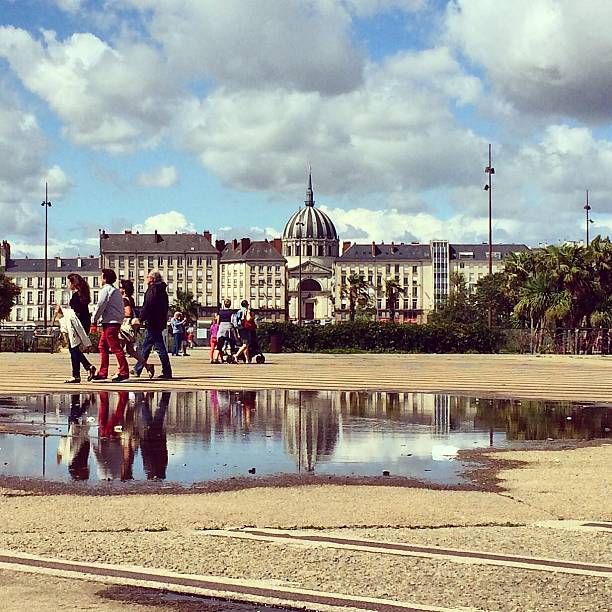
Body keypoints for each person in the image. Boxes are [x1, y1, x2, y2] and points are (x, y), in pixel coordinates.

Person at [91, 268, 130, 382]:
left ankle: (123, 372)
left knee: (115, 347)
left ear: (105, 278)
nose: (100, 279)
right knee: (102, 346)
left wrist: (94, 319)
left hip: (110, 322)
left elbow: (100, 305)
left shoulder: (106, 290)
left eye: (101, 276)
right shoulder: (116, 291)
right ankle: (103, 372)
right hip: (114, 321)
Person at [134, 270, 172, 380]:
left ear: (152, 279)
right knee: (149, 346)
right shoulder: (162, 291)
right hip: (159, 321)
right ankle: (138, 368)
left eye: (148, 277)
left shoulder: (153, 290)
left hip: (153, 322)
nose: (146, 279)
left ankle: (166, 371)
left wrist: (141, 318)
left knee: (158, 348)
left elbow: (148, 305)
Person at [61, 273, 96, 383]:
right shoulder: (83, 294)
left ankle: (77, 375)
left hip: (77, 325)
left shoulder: (76, 296)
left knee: (73, 348)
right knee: (74, 349)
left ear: (73, 283)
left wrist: (62, 311)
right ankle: (87, 368)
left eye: (68, 282)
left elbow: (75, 314)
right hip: (84, 324)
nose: (67, 284)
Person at [119, 279, 155, 379]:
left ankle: (121, 371)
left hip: (124, 326)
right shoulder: (131, 299)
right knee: (130, 350)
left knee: (119, 349)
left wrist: (118, 315)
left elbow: (128, 313)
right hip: (131, 327)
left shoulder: (124, 300)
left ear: (124, 289)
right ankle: (147, 366)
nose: (119, 289)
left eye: (120, 287)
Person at [55, 303, 93, 383]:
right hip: (74, 336)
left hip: (74, 336)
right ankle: (87, 367)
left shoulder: (68, 315)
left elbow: (76, 327)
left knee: (74, 354)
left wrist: (85, 341)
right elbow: (64, 329)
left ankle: (77, 375)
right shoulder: (65, 315)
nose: (55, 311)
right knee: (76, 352)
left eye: (56, 309)